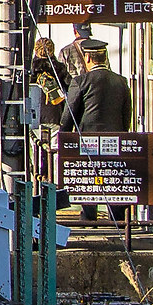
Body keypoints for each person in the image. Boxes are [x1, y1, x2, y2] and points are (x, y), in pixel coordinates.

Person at [59, 39, 133, 223]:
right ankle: (117, 217)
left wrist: (64, 136)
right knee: (113, 177)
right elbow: (127, 114)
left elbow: (69, 113)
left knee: (89, 176)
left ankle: (89, 215)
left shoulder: (81, 81)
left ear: (87, 58)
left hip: (88, 140)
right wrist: (122, 131)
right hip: (115, 140)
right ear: (105, 57)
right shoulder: (121, 81)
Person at [30, 35, 69, 108]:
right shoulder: (59, 68)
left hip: (35, 107)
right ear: (52, 50)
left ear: (36, 50)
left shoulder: (32, 69)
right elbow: (69, 86)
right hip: (57, 107)